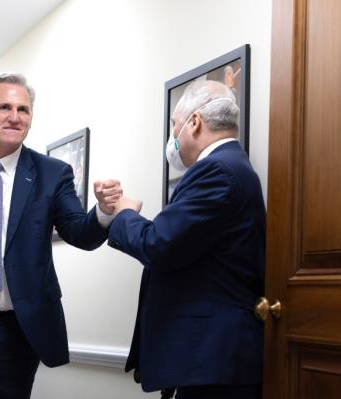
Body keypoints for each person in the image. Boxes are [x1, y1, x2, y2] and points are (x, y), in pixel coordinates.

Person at [0, 72, 121, 398]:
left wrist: (104, 212)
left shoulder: (52, 174)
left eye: (23, 110)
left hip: (12, 335)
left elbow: (81, 233)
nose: (14, 117)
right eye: (4, 107)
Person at [103, 80, 265, 399]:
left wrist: (125, 214)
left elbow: (159, 245)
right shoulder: (231, 168)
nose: (172, 138)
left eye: (174, 126)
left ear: (194, 122)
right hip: (211, 359)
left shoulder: (218, 171)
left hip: (213, 360)